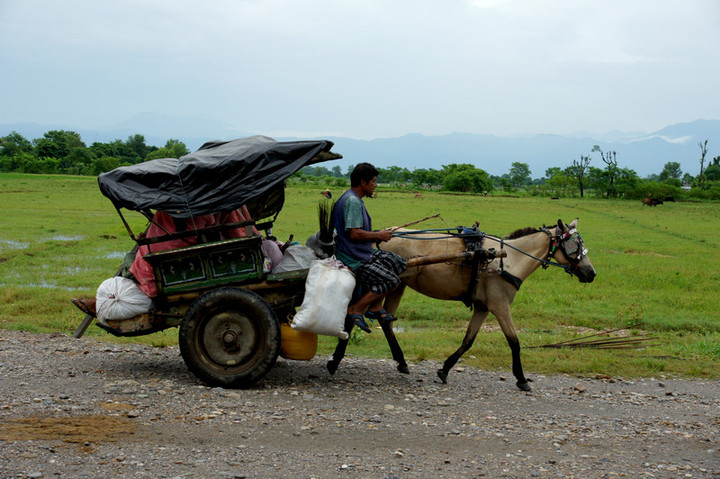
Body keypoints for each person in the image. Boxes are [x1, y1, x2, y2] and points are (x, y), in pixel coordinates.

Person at [331, 163, 406, 333]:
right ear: (363, 182)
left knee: (398, 263)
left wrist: (378, 233)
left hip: (360, 251)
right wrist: (378, 236)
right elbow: (355, 234)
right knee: (392, 280)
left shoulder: (353, 198)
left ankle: (375, 306)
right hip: (352, 256)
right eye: (373, 181)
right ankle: (356, 309)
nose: (376, 185)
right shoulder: (352, 201)